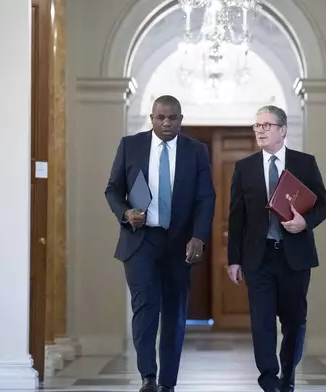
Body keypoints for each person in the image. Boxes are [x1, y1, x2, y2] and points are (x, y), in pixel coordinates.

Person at [105, 95, 216, 392]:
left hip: (179, 244)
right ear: (151, 118)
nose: (166, 123)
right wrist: (126, 213)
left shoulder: (196, 151)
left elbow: (206, 198)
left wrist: (199, 237)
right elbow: (113, 189)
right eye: (160, 117)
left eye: (173, 118)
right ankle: (148, 378)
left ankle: (168, 382)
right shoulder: (131, 146)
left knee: (175, 313)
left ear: (181, 119)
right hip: (140, 241)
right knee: (145, 308)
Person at [227, 105, 326, 392]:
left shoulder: (304, 163)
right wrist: (233, 260)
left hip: (295, 257)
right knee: (262, 323)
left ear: (283, 130)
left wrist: (304, 223)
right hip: (257, 259)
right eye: (257, 126)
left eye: (266, 125)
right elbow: (237, 217)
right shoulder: (244, 167)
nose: (260, 130)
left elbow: (323, 206)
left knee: (294, 322)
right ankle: (269, 381)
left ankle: (287, 376)